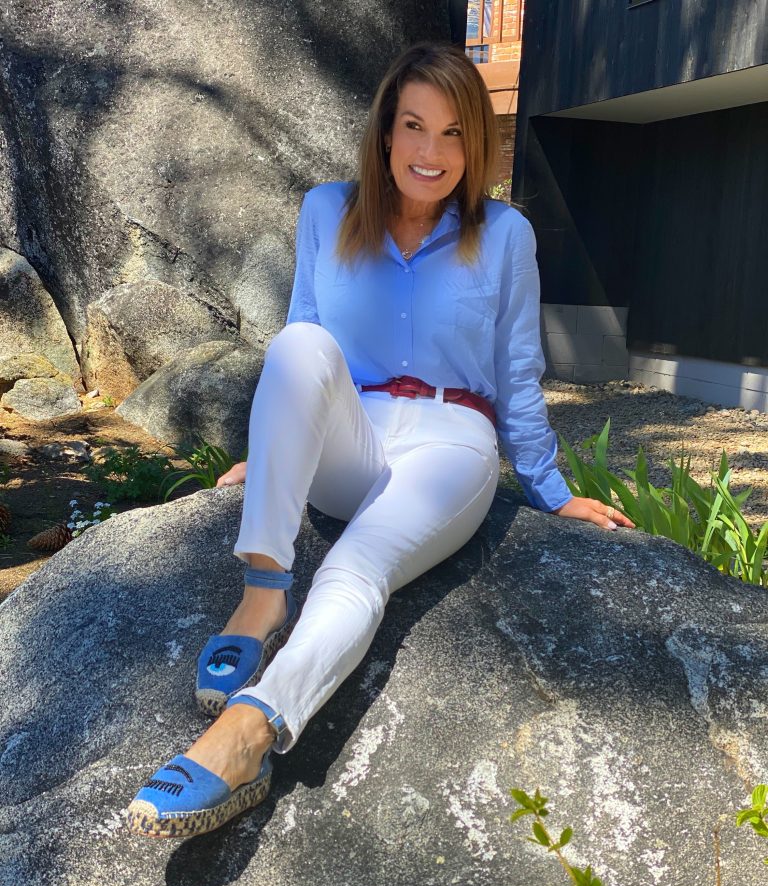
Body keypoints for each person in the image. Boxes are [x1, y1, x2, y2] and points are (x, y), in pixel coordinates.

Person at [126, 42, 633, 839]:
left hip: (450, 443)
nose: (430, 153)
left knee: (361, 565)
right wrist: (273, 456)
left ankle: (252, 731)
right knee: (295, 348)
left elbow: (517, 372)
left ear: (476, 145)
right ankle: (263, 594)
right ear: (385, 133)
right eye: (413, 127)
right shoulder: (326, 210)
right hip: (351, 434)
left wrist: (552, 491)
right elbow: (306, 337)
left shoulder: (504, 235)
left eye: (453, 134)